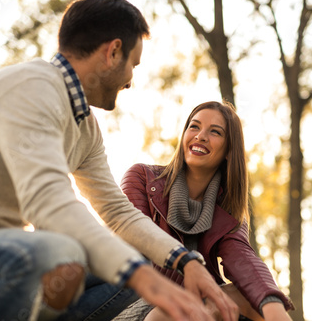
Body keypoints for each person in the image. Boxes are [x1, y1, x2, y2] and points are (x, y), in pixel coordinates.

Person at [0, 0, 238, 321]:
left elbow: (118, 213)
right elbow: (47, 200)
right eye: (133, 64)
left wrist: (184, 260)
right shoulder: (30, 87)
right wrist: (147, 281)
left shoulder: (84, 127)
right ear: (113, 52)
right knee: (59, 252)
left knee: (128, 265)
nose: (131, 79)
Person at [117, 101, 294, 321]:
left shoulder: (229, 210)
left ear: (229, 150)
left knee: (256, 299)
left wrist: (272, 303)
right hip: (142, 300)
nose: (201, 136)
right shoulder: (142, 178)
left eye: (215, 132)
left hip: (202, 306)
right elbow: (135, 240)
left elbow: (244, 261)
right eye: (194, 126)